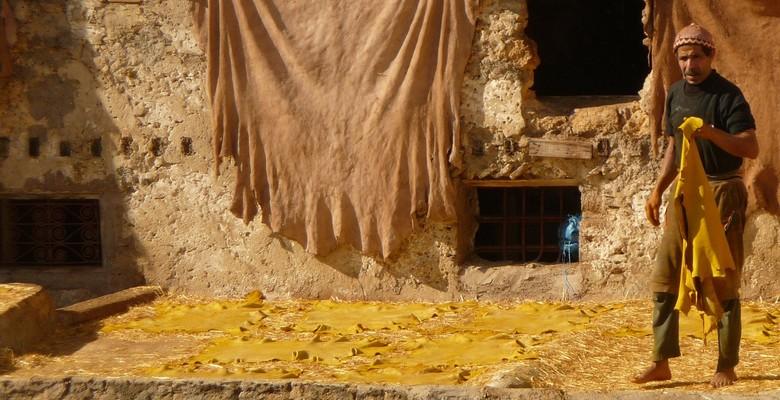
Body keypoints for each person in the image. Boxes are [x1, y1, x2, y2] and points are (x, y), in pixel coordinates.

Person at [633, 23, 759, 388]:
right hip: (684, 194)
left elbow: (750, 148)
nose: (690, 64)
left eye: (697, 57)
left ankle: (726, 363)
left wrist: (710, 131)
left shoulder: (728, 96)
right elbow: (674, 146)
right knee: (665, 275)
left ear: (710, 56)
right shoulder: (674, 94)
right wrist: (658, 190)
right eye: (684, 58)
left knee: (722, 277)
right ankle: (661, 361)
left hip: (722, 192)